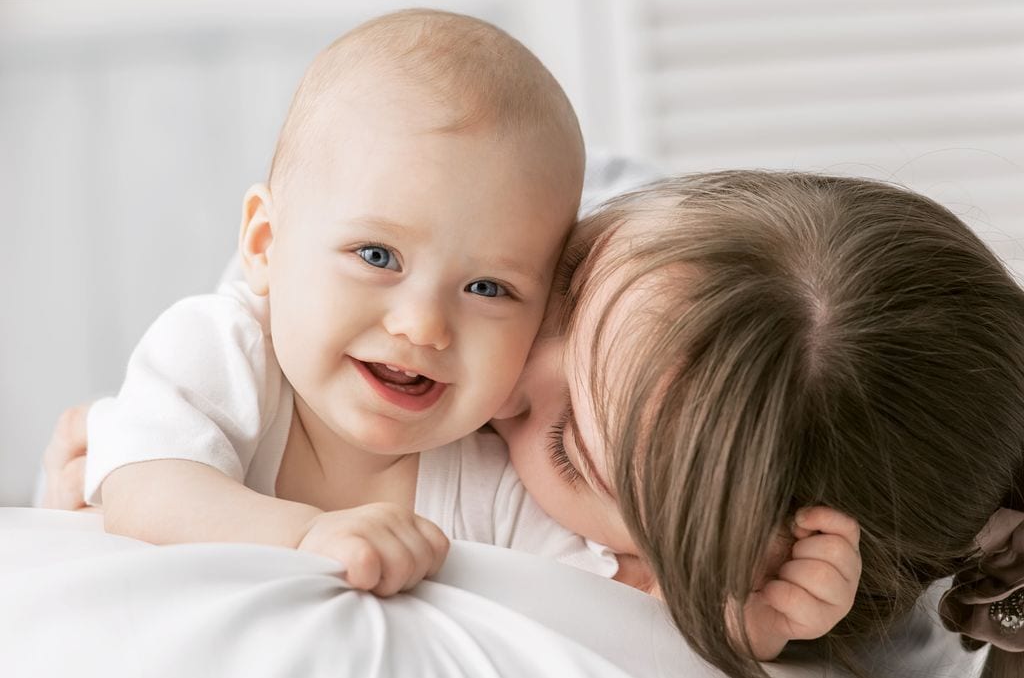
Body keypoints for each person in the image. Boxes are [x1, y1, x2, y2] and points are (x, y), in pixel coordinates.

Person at [60, 8, 859, 666]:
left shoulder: (490, 476)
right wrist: (304, 534)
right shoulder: (226, 346)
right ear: (266, 246)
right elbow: (147, 487)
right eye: (377, 256)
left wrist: (743, 617)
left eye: (488, 288)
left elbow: (619, 604)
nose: (423, 325)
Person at [51, 168, 1015, 676]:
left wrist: (742, 618)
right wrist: (151, 470)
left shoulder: (642, 555)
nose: (501, 375)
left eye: (567, 447)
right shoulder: (536, 222)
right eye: (553, 295)